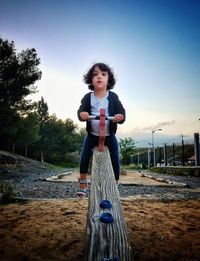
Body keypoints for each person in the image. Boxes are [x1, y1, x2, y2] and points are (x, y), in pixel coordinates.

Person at [76, 62, 126, 197]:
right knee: (85, 154)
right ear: (90, 79)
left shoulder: (113, 97)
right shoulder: (88, 97)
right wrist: (82, 114)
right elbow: (81, 110)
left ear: (108, 79)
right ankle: (83, 182)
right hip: (92, 134)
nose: (99, 77)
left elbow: (122, 111)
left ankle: (115, 182)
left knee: (115, 155)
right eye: (95, 74)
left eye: (103, 74)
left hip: (109, 135)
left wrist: (120, 116)